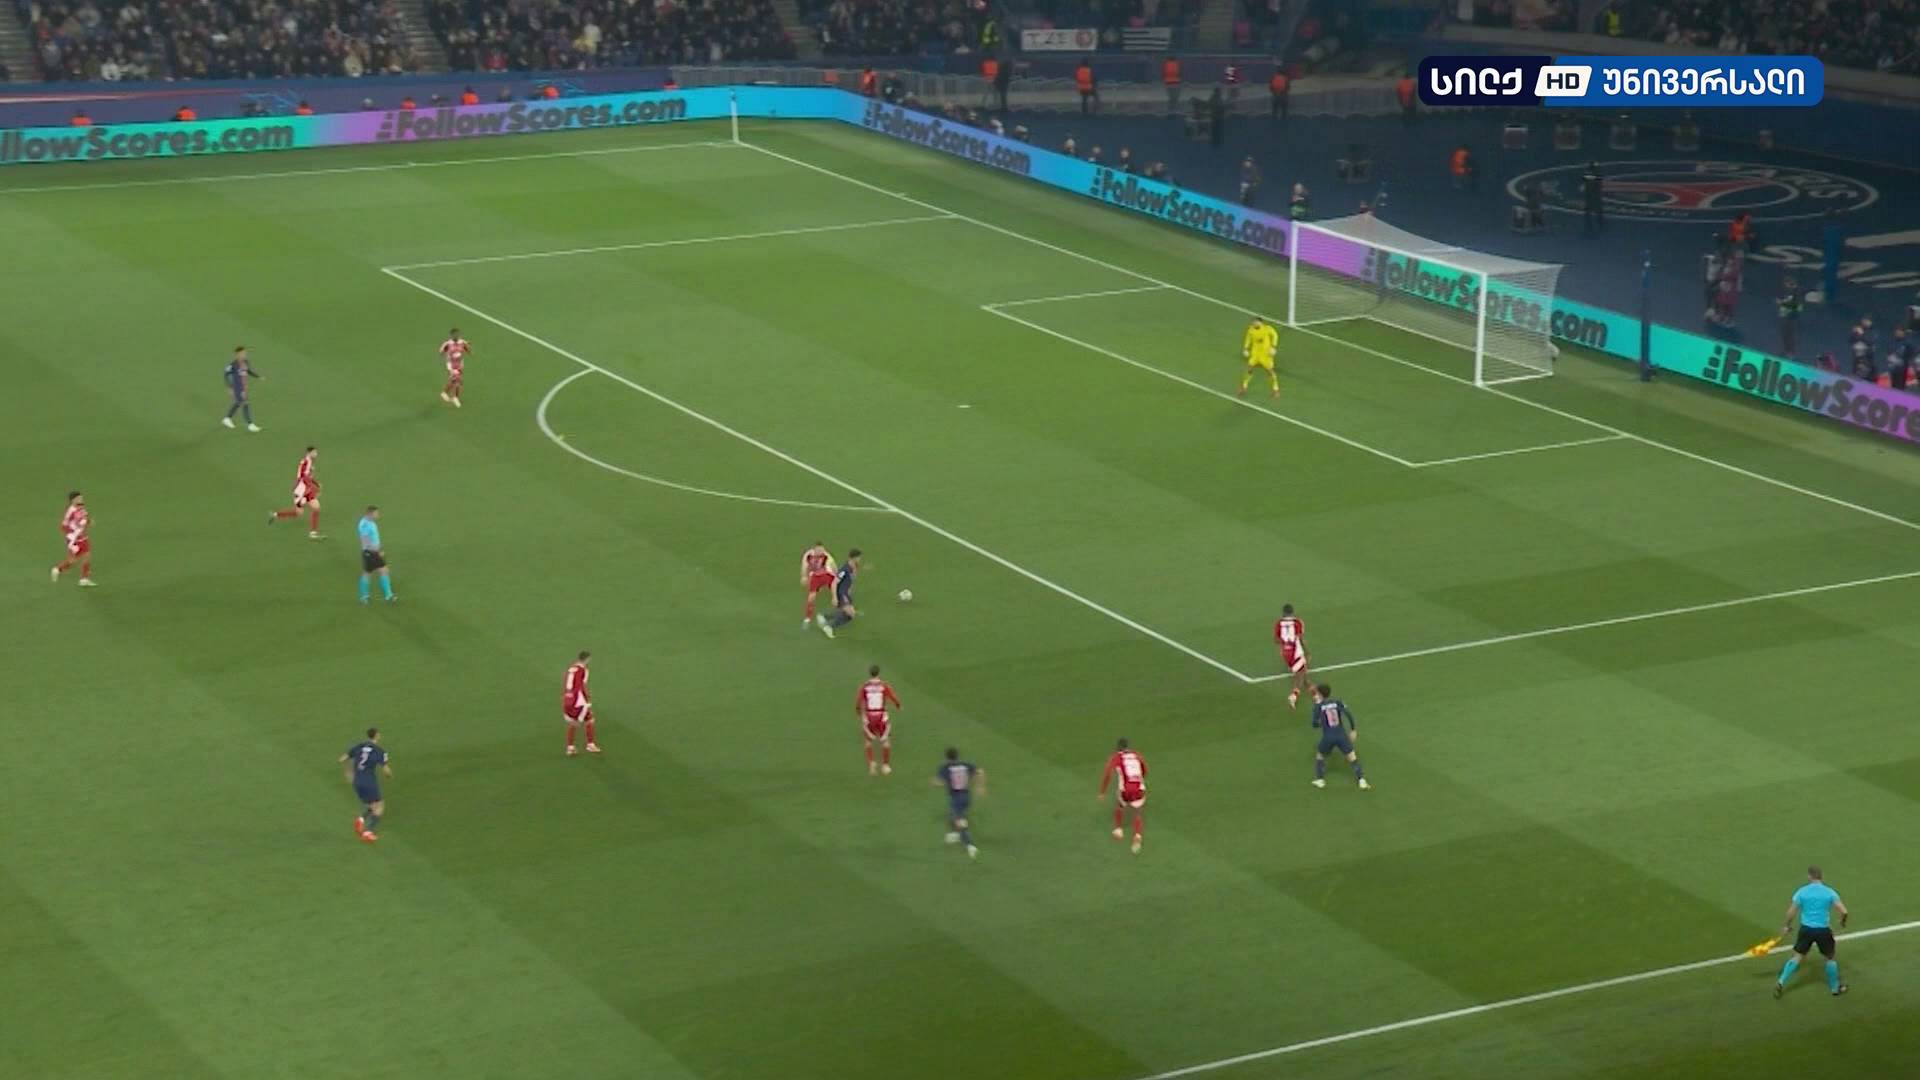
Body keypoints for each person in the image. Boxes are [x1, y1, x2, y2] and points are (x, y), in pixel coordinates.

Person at [1773, 866, 1848, 998]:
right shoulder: (1829, 892)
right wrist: (1842, 922)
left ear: (1809, 876)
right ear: (1821, 876)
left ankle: (1781, 982)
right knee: (1829, 958)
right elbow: (1844, 911)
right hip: (1823, 930)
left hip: (1806, 929)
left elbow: (1791, 911)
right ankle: (1835, 988)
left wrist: (1787, 926)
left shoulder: (1802, 892)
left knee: (1797, 957)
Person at [1308, 684, 1370, 790]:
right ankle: (1362, 780)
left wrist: (1322, 723)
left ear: (1319, 694)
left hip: (1328, 737)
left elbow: (1314, 724)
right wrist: (1353, 729)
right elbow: (1348, 714)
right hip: (1341, 735)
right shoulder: (1337, 702)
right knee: (1352, 757)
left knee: (1320, 755)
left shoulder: (1318, 706)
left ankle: (1320, 780)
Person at [340, 727, 392, 843]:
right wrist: (389, 775)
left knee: (372, 804)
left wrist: (348, 773)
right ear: (377, 735)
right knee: (380, 806)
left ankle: (360, 820)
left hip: (357, 781)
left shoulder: (359, 746)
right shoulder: (379, 751)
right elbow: (386, 771)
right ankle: (368, 832)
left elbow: (342, 759)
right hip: (369, 782)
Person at [1097, 738, 1147, 854]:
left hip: (1125, 790)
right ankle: (1137, 835)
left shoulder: (1116, 757)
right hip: (1139, 789)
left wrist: (1102, 792)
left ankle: (1118, 829)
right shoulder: (1137, 755)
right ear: (1128, 747)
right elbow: (1145, 770)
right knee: (1138, 812)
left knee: (1120, 804)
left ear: (1118, 748)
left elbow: (1107, 774)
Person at [932, 747, 984, 858]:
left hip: (956, 798)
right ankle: (956, 834)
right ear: (957, 756)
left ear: (946, 757)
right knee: (953, 816)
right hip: (966, 796)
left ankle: (970, 845)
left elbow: (937, 782)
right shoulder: (965, 764)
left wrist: (937, 783)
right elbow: (980, 771)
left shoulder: (946, 767)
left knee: (960, 820)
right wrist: (980, 787)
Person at [268, 446, 324, 539]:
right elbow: (304, 477)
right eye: (314, 452)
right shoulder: (307, 461)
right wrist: (313, 487)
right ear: (309, 453)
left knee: (303, 511)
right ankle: (313, 533)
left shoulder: (307, 461)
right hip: (302, 490)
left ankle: (275, 515)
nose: (316, 454)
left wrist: (316, 483)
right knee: (310, 509)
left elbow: (307, 476)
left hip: (303, 489)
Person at [856, 665, 901, 776]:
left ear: (870, 673)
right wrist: (898, 705)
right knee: (886, 742)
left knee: (868, 742)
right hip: (881, 715)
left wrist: (858, 712)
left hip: (869, 715)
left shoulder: (865, 686)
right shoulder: (883, 686)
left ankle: (872, 763)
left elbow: (858, 701)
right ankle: (885, 766)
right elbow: (893, 697)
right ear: (878, 673)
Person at [51, 490, 95, 587]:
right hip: (74, 539)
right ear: (73, 500)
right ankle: (57, 570)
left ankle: (84, 579)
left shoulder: (81, 507)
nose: (81, 499)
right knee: (73, 561)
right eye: (79, 498)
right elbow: (63, 526)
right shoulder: (70, 511)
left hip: (83, 537)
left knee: (87, 556)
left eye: (81, 497)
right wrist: (71, 536)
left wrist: (89, 521)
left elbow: (84, 518)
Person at [562, 650, 601, 756]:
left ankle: (570, 748)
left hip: (567, 699)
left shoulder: (571, 668)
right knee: (590, 719)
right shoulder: (583, 670)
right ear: (587, 659)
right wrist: (587, 699)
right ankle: (590, 745)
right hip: (578, 701)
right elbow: (582, 686)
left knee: (573, 722)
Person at [818, 548, 862, 637]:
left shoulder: (855, 566)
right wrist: (834, 597)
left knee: (849, 615)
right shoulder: (844, 569)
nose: (859, 559)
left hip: (846, 593)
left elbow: (852, 579)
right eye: (858, 557)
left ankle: (825, 617)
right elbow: (834, 582)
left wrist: (849, 589)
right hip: (841, 593)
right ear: (853, 558)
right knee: (850, 613)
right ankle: (828, 626)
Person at [357, 505, 396, 604]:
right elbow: (365, 541)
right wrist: (378, 551)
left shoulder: (370, 522)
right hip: (371, 553)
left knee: (371, 572)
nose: (378, 515)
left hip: (371, 552)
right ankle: (387, 595)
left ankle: (365, 596)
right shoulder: (365, 525)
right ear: (370, 514)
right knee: (380, 571)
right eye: (376, 513)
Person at [1274, 603, 1310, 707]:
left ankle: (1313, 692)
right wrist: (1307, 651)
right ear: (1292, 612)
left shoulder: (1278, 623)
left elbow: (1276, 640)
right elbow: (1301, 638)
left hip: (1285, 652)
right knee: (1300, 674)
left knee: (1302, 673)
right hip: (1296, 652)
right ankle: (1294, 696)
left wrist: (1285, 644)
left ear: (1283, 613)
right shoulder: (1297, 622)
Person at [222, 345, 263, 432]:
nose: (244, 354)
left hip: (244, 387)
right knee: (245, 403)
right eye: (242, 353)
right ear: (237, 354)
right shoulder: (233, 365)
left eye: (244, 353)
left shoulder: (246, 362)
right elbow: (226, 374)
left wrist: (257, 376)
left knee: (238, 403)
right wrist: (230, 387)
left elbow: (248, 371)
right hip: (237, 387)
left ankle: (227, 418)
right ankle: (250, 424)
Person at [1238, 316, 1280, 398]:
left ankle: (1276, 389)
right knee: (1249, 369)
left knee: (1270, 372)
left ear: (1261, 322)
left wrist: (1273, 347)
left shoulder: (1267, 329)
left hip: (1266, 355)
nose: (1254, 323)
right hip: (1255, 354)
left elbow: (1275, 335)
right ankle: (1244, 387)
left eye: (1256, 322)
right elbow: (1248, 339)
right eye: (1253, 322)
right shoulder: (1250, 330)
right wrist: (1245, 348)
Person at [801, 541, 837, 625]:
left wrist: (836, 575)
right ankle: (808, 618)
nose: (821, 552)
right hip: (815, 577)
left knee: (836, 589)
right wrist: (804, 576)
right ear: (814, 549)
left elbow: (833, 565)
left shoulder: (826, 556)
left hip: (826, 575)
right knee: (811, 598)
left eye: (822, 550)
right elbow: (804, 565)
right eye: (819, 550)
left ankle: (841, 604)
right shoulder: (808, 555)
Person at [439, 328, 471, 407]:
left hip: (459, 364)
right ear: (451, 335)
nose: (456, 336)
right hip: (451, 365)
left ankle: (444, 393)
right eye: (454, 334)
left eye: (457, 334)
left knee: (454, 381)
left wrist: (468, 348)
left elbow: (467, 349)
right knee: (457, 380)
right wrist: (445, 354)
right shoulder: (448, 343)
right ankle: (455, 397)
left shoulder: (462, 342)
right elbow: (441, 351)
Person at [1777, 276, 1804, 358]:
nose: (1786, 287)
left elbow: (1798, 307)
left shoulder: (1797, 294)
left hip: (1791, 317)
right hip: (1785, 316)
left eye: (1787, 285)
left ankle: (1791, 352)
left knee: (1790, 335)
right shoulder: (1789, 291)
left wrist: (1783, 303)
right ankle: (1786, 350)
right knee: (1785, 335)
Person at [1582, 162, 1605, 231]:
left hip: (1593, 193)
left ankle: (1597, 220)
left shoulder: (1592, 174)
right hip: (1592, 193)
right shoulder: (1594, 174)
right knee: (1594, 206)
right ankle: (1597, 220)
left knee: (1593, 206)